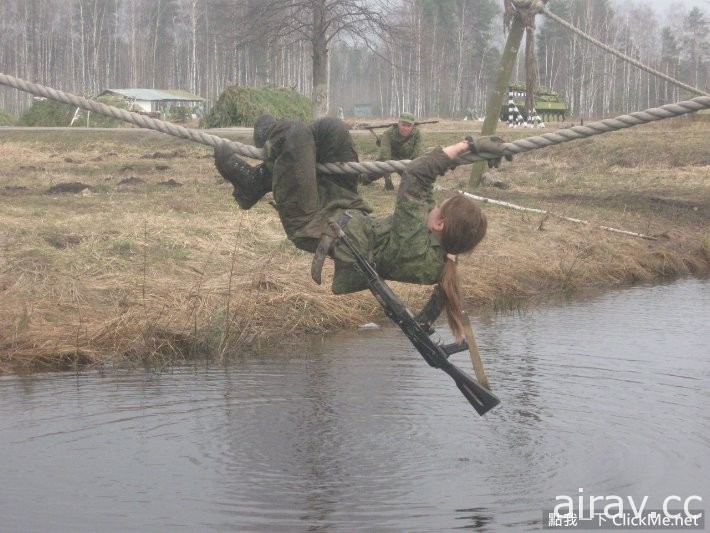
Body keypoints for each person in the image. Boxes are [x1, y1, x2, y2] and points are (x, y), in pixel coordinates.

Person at [214, 115, 511, 342]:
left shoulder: (413, 245)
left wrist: (467, 144)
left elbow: (417, 176)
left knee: (290, 131)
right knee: (332, 129)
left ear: (440, 224)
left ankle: (256, 181)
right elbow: (427, 188)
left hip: (312, 223)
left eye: (440, 207)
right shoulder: (440, 244)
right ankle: (267, 176)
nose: (435, 205)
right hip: (345, 207)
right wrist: (465, 153)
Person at [361, 111, 423, 191]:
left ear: (413, 126)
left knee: (415, 184)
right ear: (398, 124)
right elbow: (385, 157)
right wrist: (388, 180)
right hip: (387, 160)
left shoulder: (417, 134)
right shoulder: (388, 133)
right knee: (367, 177)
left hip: (404, 162)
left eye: (409, 126)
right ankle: (360, 178)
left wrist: (414, 173)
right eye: (403, 125)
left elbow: (417, 155)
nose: (405, 128)